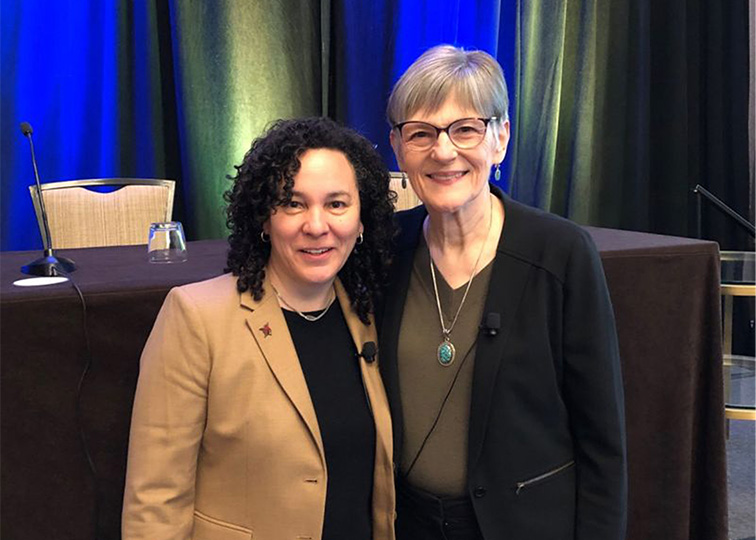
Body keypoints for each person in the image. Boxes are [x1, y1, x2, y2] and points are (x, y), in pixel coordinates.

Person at [379, 44, 627, 540]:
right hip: (406, 525)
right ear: (398, 146)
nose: (443, 151)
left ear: (500, 139)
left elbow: (602, 439)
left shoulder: (561, 253)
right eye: (421, 133)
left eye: (465, 129)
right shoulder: (383, 250)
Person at [122, 117, 397, 540]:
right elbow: (155, 500)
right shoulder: (196, 317)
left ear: (362, 220)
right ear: (264, 219)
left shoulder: (368, 314)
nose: (317, 225)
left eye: (337, 204)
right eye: (293, 203)